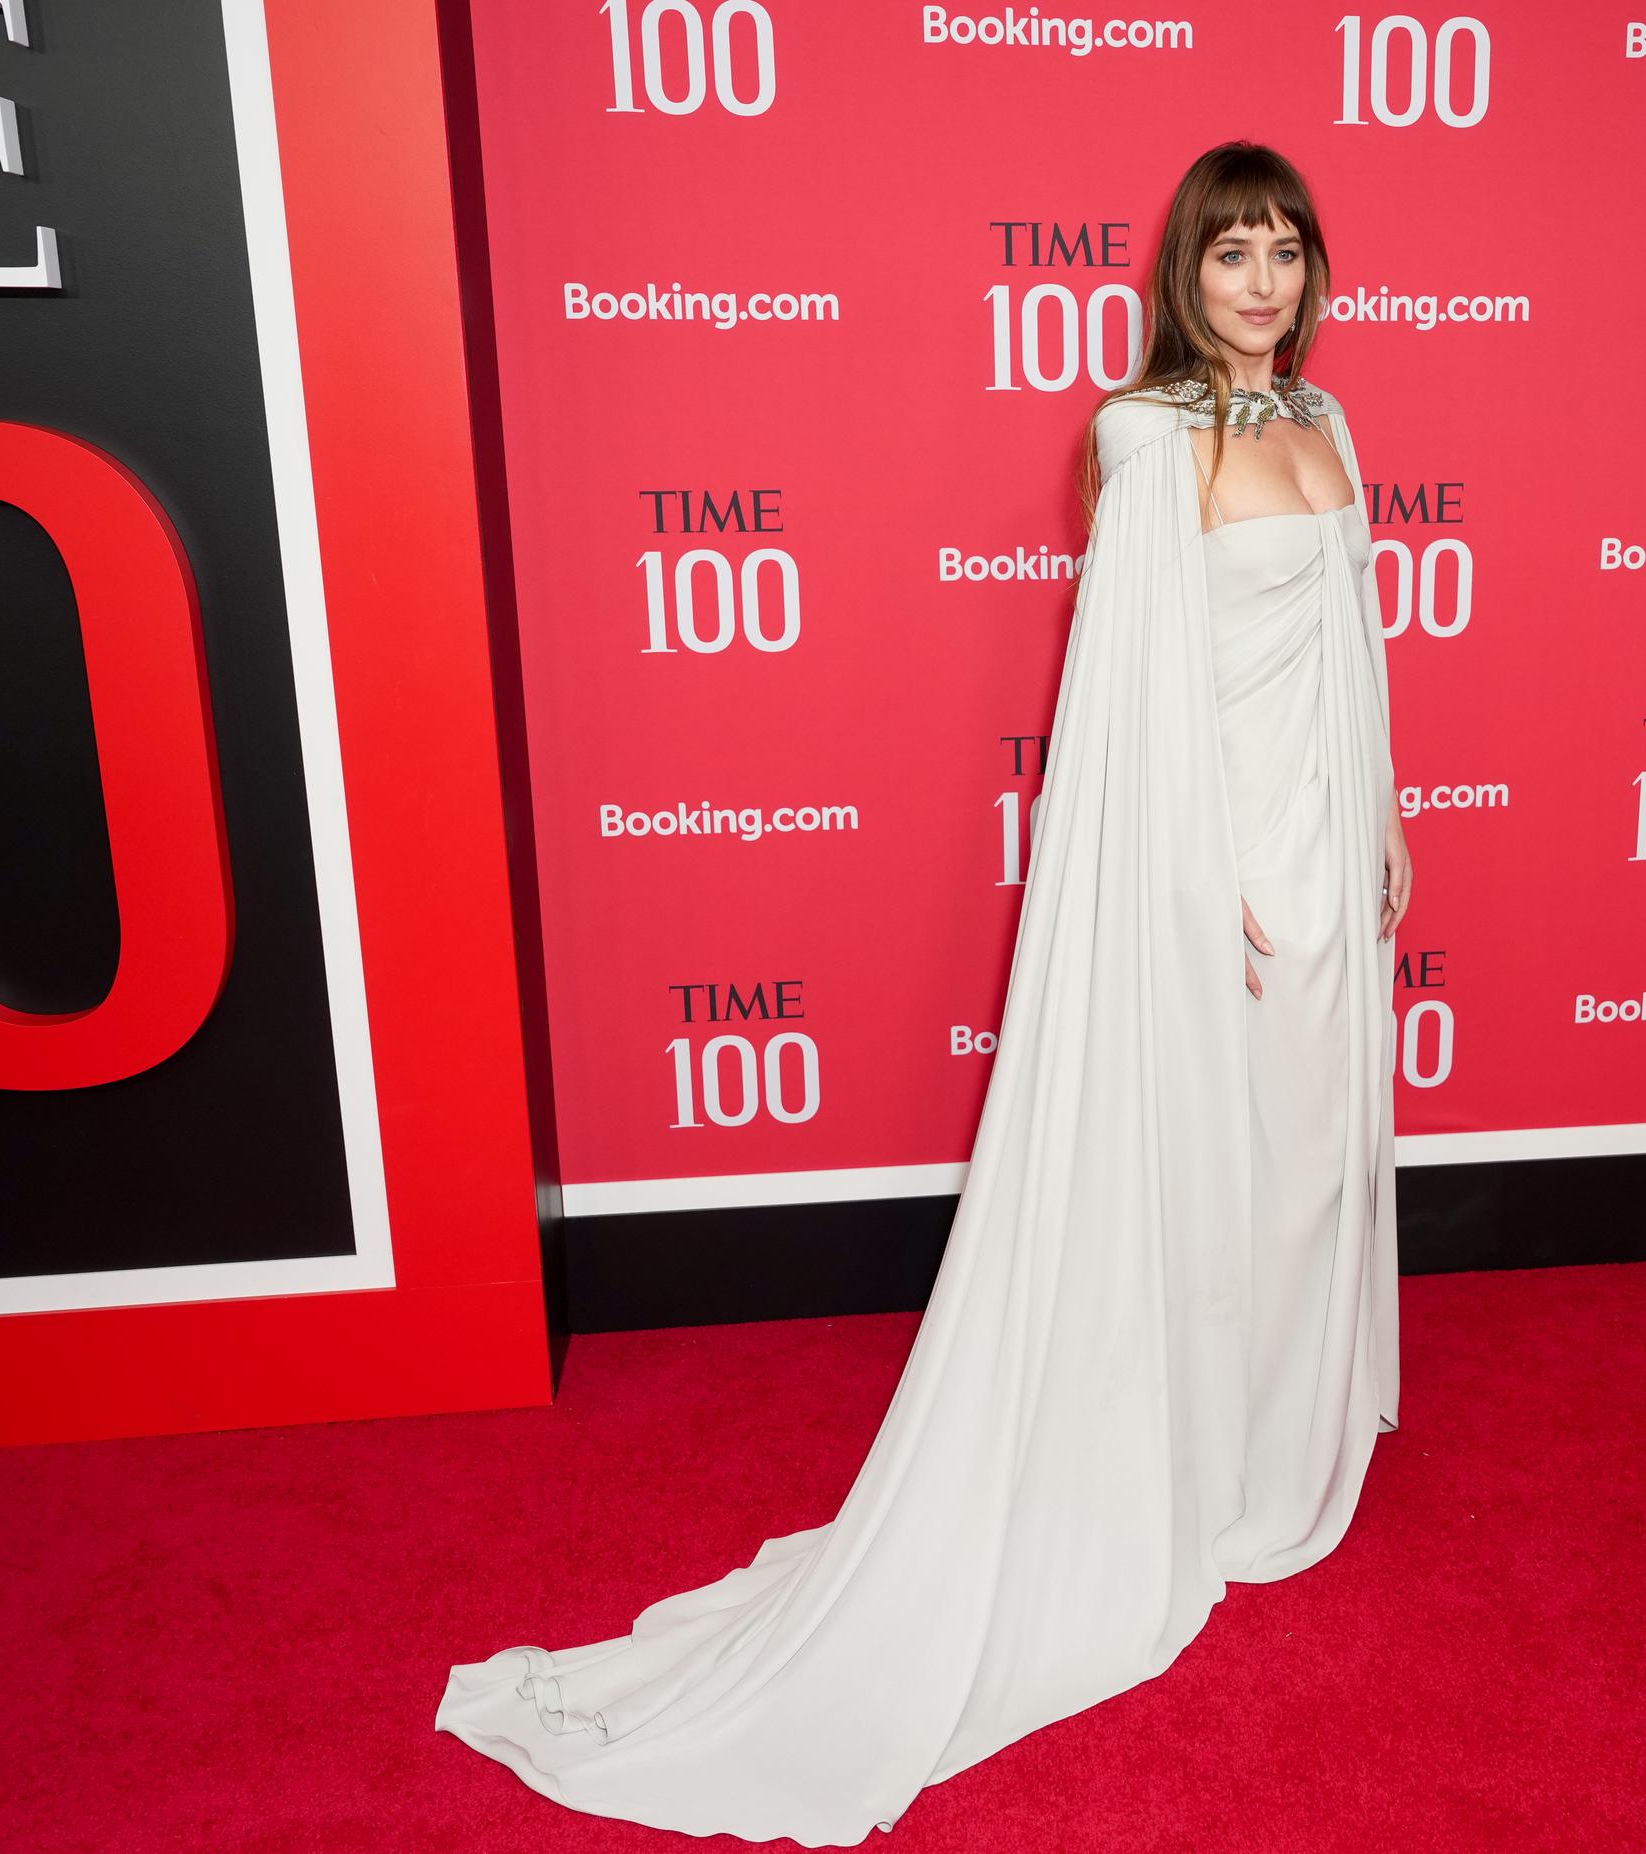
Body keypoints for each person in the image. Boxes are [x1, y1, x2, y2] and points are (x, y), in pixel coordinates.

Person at [435, 139, 1411, 1847]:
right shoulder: (1142, 435)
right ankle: (1180, 1471)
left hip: (1337, 868)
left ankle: (1270, 1450)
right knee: (1210, 1169)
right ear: (1183, 271)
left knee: (1307, 1170)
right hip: (1226, 884)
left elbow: (1356, 652)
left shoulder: (1328, 428)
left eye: (1286, 249)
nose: (1261, 279)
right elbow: (1134, 707)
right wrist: (1214, 887)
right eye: (1231, 250)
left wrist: (1388, 821)